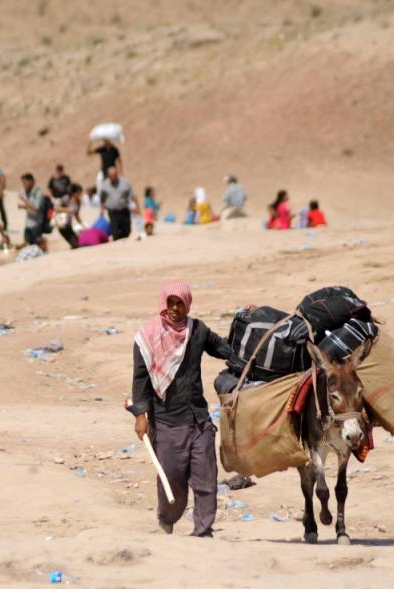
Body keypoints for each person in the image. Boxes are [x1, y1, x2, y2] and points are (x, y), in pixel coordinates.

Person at [129, 281, 230, 538]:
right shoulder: (146, 337)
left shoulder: (197, 331)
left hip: (198, 419)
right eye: (170, 303)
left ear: (187, 304)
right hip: (166, 422)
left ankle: (203, 531)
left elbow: (223, 348)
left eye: (180, 303)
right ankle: (167, 518)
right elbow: (141, 380)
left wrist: (246, 326)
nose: (175, 308)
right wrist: (141, 416)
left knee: (206, 479)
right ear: (163, 304)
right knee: (172, 481)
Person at [99, 166, 139, 241]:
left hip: (124, 210)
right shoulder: (105, 185)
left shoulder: (125, 182)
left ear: (117, 175)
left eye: (114, 175)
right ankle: (117, 246)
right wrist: (102, 209)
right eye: (111, 176)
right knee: (115, 232)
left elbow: (132, 196)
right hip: (112, 211)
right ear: (108, 176)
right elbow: (102, 198)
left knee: (127, 231)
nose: (113, 178)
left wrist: (136, 207)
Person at [17, 173, 46, 251]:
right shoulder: (28, 192)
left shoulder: (38, 192)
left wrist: (23, 199)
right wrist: (23, 206)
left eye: (24, 182)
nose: (23, 185)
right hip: (28, 223)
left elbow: (36, 208)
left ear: (31, 181)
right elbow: (30, 206)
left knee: (38, 247)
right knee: (29, 245)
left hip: (36, 224)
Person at [56, 183, 83, 249]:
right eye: (78, 193)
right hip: (62, 225)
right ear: (74, 193)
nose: (80, 194)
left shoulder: (78, 202)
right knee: (75, 244)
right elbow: (56, 208)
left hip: (69, 225)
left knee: (78, 243)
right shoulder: (66, 199)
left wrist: (82, 224)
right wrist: (67, 209)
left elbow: (76, 215)